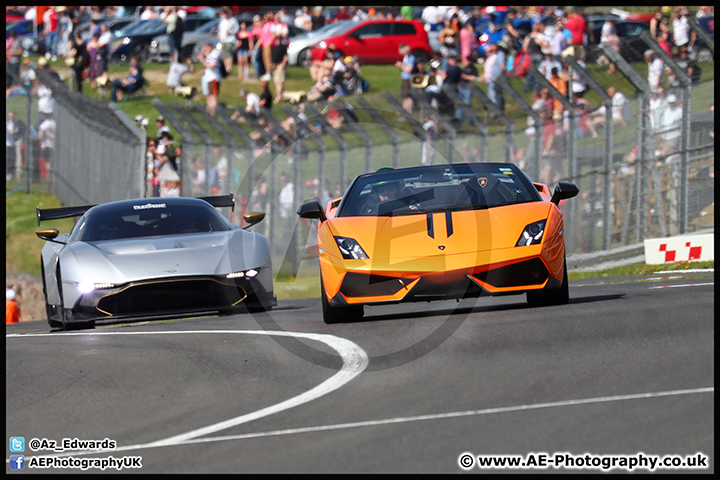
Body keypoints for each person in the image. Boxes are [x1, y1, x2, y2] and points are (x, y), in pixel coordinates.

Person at [196, 43, 222, 117]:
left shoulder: (215, 54)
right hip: (210, 79)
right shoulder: (209, 55)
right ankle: (209, 111)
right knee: (209, 95)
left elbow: (211, 66)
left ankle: (213, 113)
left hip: (214, 78)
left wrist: (202, 60)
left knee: (213, 96)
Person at [217, 8, 239, 76]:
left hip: (230, 40)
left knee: (229, 54)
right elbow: (220, 30)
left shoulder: (233, 21)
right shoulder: (222, 21)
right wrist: (219, 35)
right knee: (224, 55)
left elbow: (236, 29)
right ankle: (225, 68)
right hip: (223, 40)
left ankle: (229, 68)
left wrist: (230, 32)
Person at [396, 43, 416, 116]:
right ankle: (404, 110)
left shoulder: (411, 58)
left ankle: (408, 112)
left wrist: (401, 66)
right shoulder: (406, 57)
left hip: (408, 79)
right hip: (404, 78)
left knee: (408, 96)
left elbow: (409, 69)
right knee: (404, 95)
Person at [271, 30, 289, 104]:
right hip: (275, 65)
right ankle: (280, 96)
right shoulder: (275, 47)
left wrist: (283, 64)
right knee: (276, 82)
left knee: (279, 82)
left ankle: (279, 97)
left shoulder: (283, 47)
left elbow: (286, 56)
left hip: (280, 65)